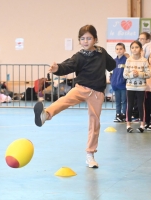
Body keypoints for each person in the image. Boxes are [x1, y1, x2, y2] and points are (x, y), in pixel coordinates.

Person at [33, 25, 116, 168]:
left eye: (89, 38)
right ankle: (45, 115)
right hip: (81, 88)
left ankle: (90, 154)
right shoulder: (78, 56)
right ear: (79, 41)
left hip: (97, 93)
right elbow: (67, 66)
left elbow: (112, 65)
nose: (86, 41)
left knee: (94, 123)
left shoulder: (101, 52)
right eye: (82, 38)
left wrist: (119, 61)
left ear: (95, 39)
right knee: (64, 100)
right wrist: (57, 68)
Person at [123, 41, 150, 133]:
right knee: (129, 105)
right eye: (132, 47)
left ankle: (142, 125)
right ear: (130, 49)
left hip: (141, 87)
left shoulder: (144, 61)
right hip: (130, 86)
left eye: (137, 47)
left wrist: (139, 74)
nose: (134, 49)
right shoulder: (128, 60)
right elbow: (125, 75)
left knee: (140, 105)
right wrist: (132, 74)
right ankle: (128, 125)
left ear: (141, 49)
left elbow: (148, 74)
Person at [111, 43, 127, 122]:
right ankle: (118, 114)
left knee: (124, 101)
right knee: (117, 101)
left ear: (124, 50)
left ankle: (124, 115)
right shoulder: (114, 61)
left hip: (123, 85)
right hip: (115, 85)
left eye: (121, 49)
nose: (119, 50)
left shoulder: (126, 60)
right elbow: (112, 72)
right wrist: (112, 81)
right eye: (117, 49)